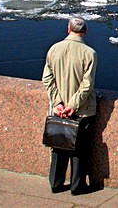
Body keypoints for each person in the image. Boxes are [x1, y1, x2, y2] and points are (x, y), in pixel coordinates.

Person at [42, 17, 98, 195]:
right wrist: (73, 106)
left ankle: (56, 183)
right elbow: (87, 85)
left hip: (58, 109)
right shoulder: (89, 53)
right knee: (79, 148)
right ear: (86, 31)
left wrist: (58, 103)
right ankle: (77, 185)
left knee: (58, 145)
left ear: (68, 29)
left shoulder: (54, 49)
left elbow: (47, 79)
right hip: (81, 110)